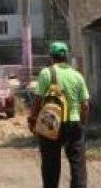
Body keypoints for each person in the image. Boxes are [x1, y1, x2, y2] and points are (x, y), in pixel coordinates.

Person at [29, 41, 90, 188]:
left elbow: (38, 101)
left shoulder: (46, 73)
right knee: (77, 164)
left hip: (51, 123)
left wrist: (32, 119)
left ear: (52, 57)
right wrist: (82, 124)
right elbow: (85, 104)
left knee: (50, 164)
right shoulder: (77, 76)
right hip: (73, 123)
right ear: (66, 57)